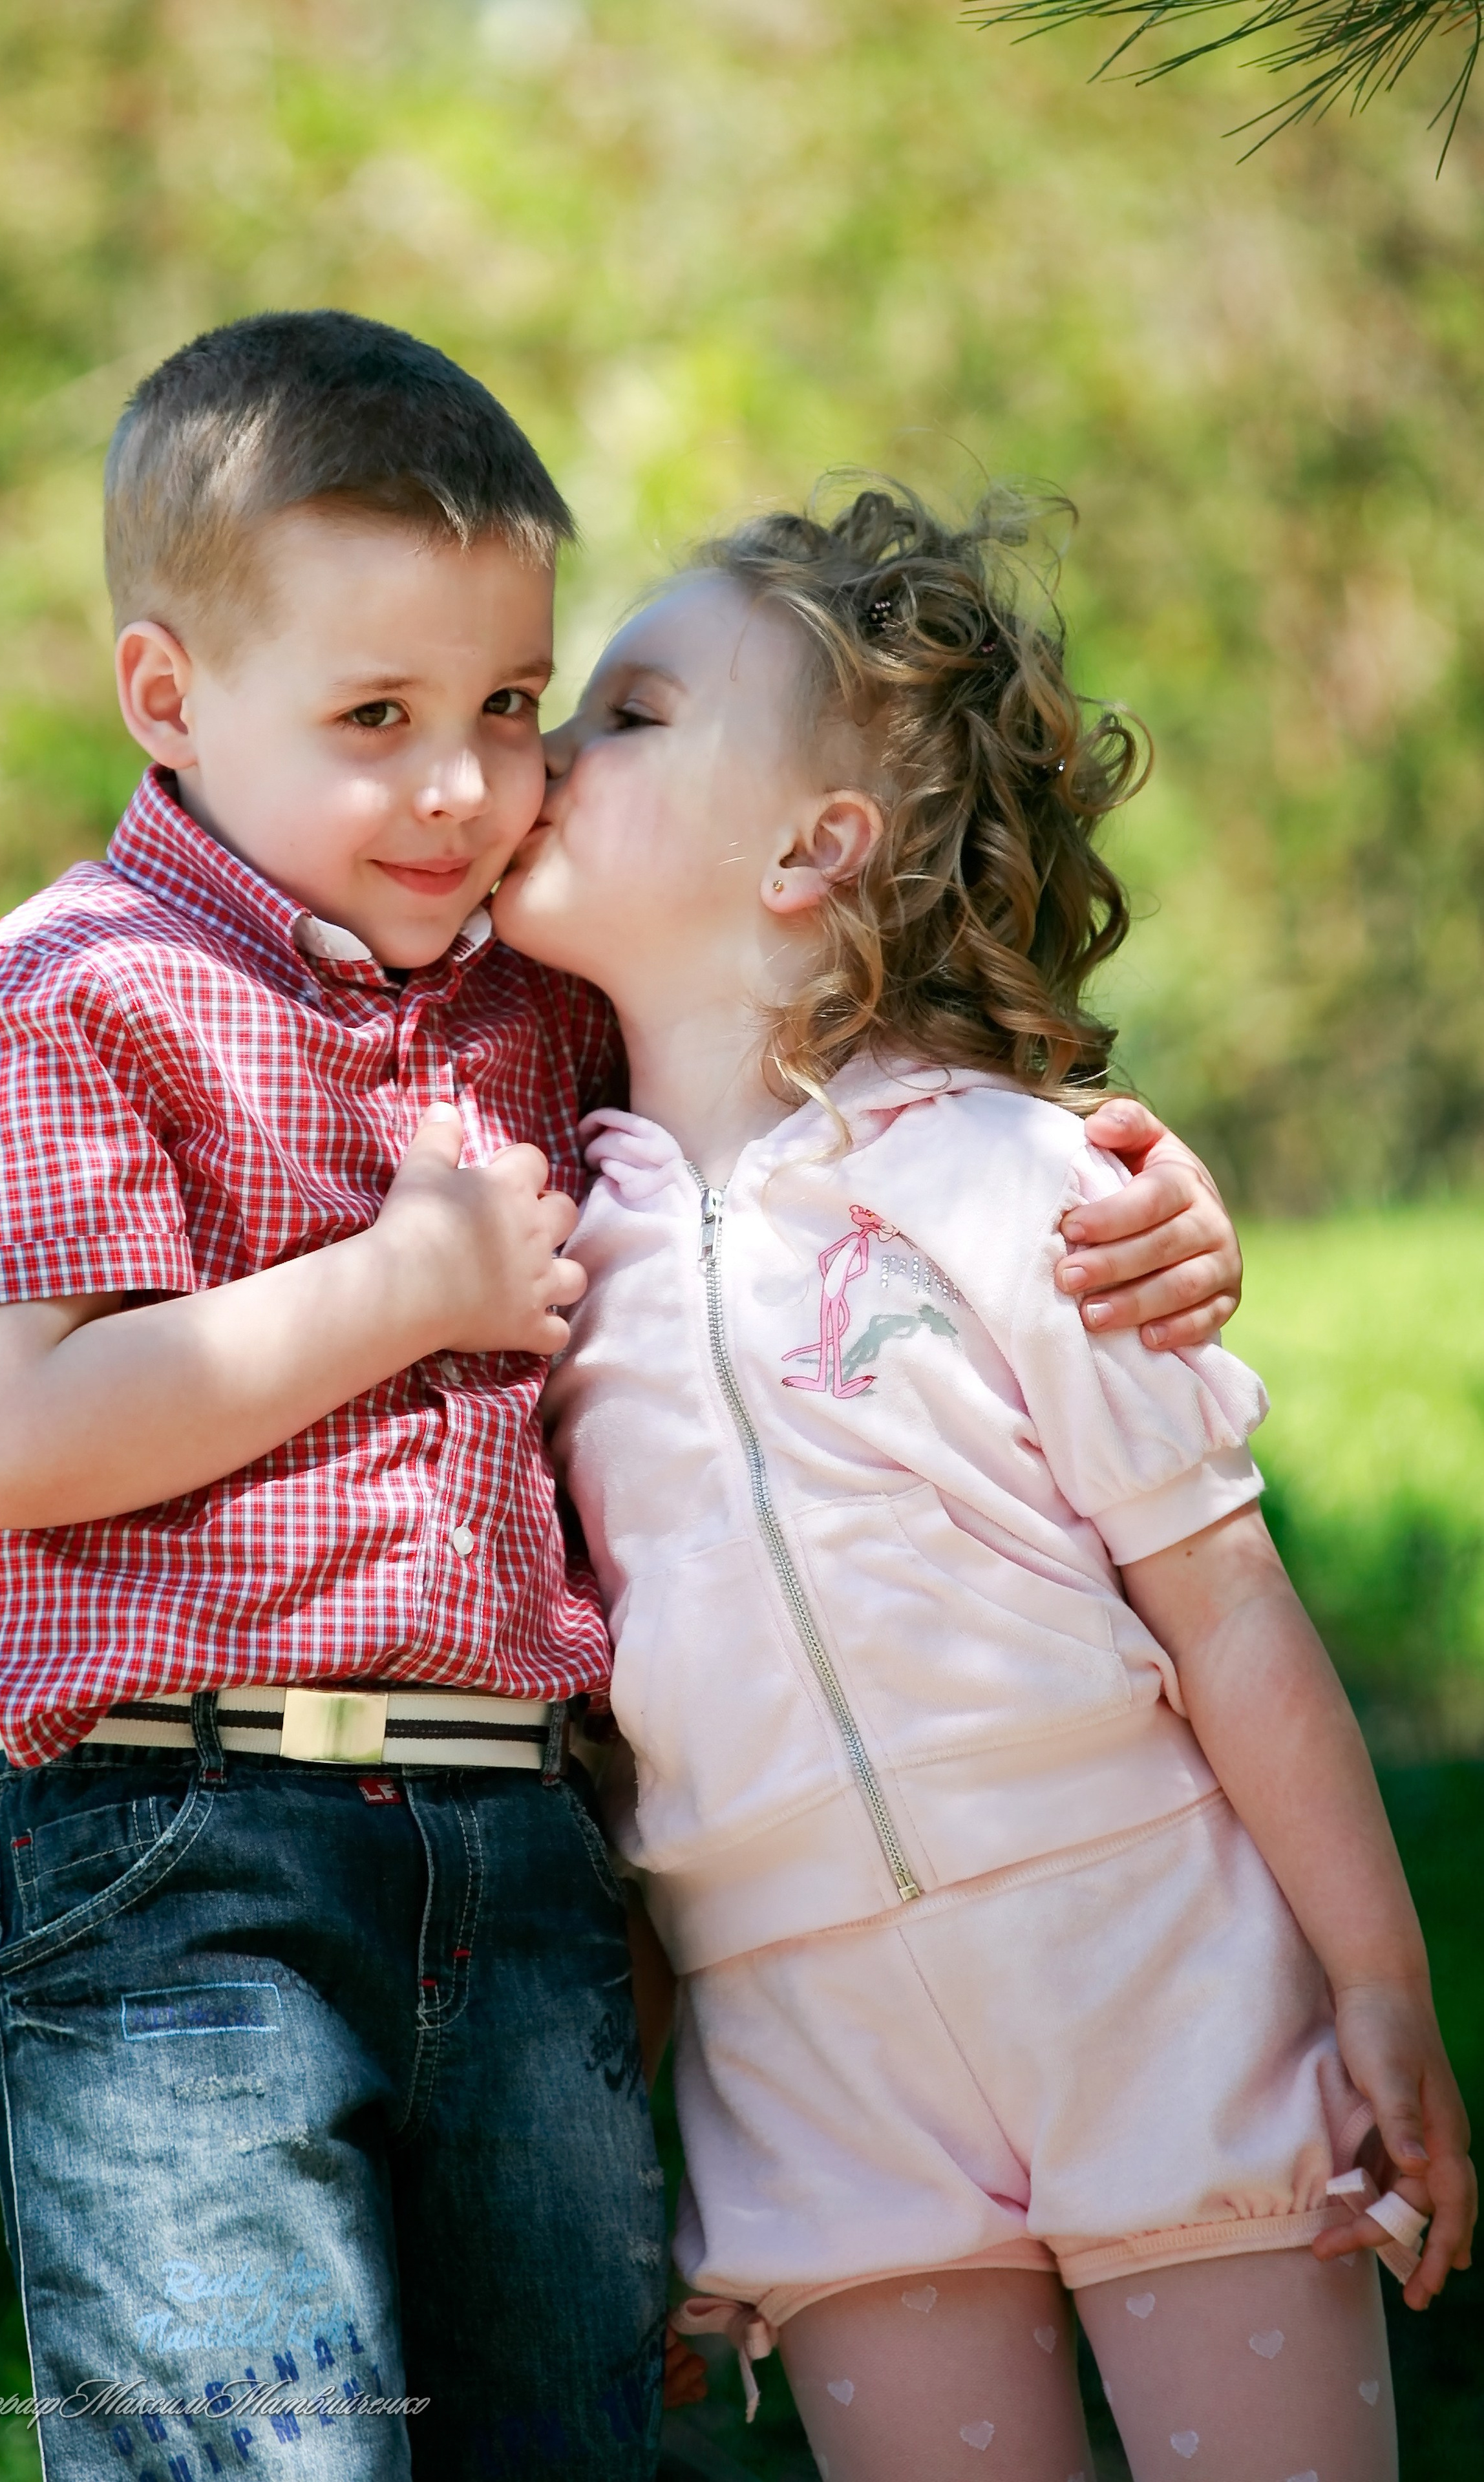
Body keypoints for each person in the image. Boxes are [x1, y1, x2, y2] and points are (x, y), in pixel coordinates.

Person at [0, 306, 1238, 2481]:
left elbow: (815, 1092)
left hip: (522, 1864)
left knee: (559, 2440)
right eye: (376, 717)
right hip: (176, 1849)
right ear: (167, 696)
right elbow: (16, 1441)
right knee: (260, 2448)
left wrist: (1123, 1185)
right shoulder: (69, 993)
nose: (462, 784)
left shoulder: (534, 996)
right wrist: (403, 1288)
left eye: (511, 705)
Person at [496, 481, 1478, 2482]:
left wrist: (1379, 1981)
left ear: (814, 848)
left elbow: (1227, 1610)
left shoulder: (1026, 1186)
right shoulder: (538, 1249)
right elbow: (605, 1739)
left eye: (630, 713)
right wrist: (628, 2138)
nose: (549, 753)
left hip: (1154, 1982)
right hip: (813, 2070)